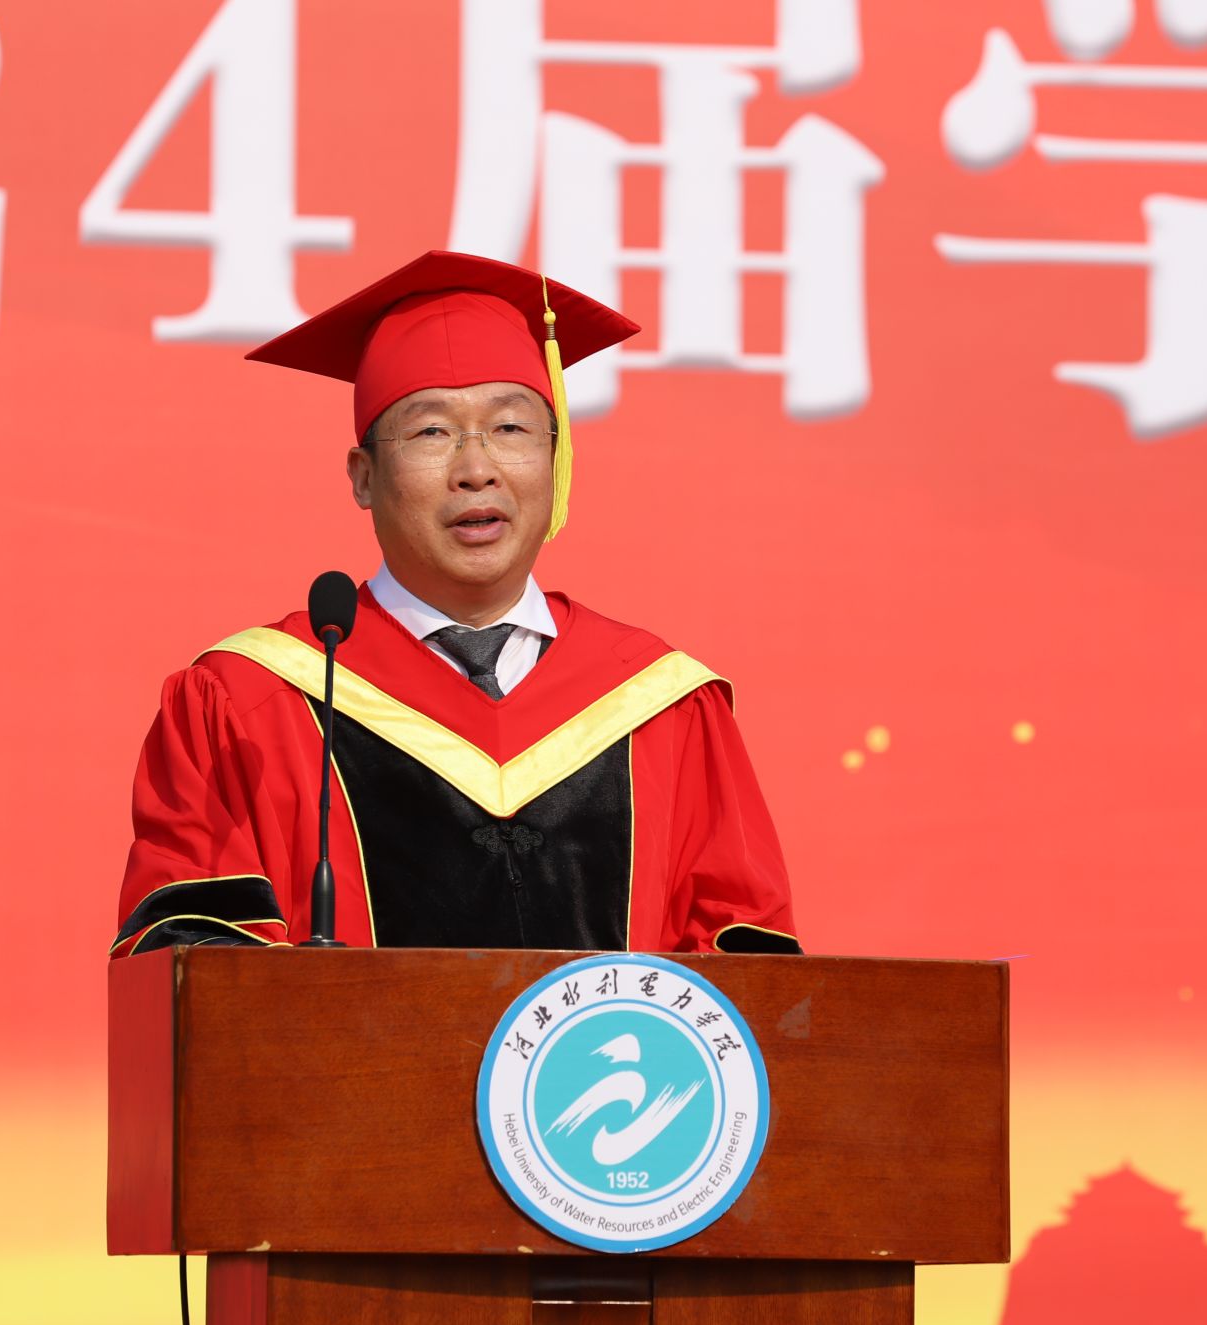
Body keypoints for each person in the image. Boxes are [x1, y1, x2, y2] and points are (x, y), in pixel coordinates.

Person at [111, 251, 798, 956]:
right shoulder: (250, 704)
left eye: (511, 429)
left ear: (555, 456)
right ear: (363, 477)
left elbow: (748, 975)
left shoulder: (663, 707)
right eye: (432, 432)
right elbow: (189, 971)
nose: (476, 470)